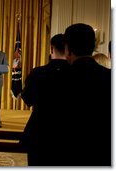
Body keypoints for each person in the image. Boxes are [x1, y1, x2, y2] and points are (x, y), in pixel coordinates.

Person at [20, 34, 71, 166]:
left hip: (39, 131)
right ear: (68, 49)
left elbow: (27, 99)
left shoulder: (38, 73)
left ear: (51, 49)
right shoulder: (76, 72)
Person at [64, 23, 111, 165]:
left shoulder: (54, 80)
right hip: (102, 155)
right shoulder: (110, 78)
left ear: (68, 50)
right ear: (92, 47)